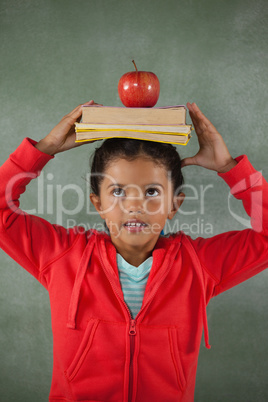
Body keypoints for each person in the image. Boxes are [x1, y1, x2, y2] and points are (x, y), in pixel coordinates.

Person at [0, 100, 267, 402]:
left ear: (173, 206)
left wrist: (230, 168)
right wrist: (44, 148)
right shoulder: (63, 257)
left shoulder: (198, 266)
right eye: (117, 191)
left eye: (152, 192)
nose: (134, 205)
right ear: (97, 203)